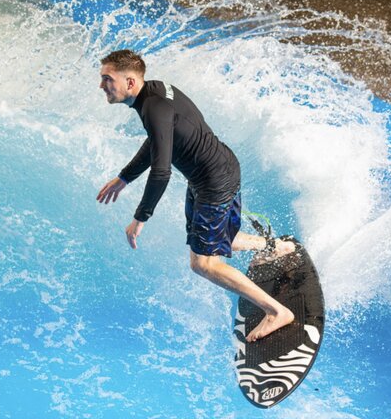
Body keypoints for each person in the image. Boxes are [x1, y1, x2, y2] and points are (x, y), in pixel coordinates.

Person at [96, 50, 295, 342]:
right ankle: (274, 247)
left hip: (213, 184)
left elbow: (161, 172)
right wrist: (125, 177)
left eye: (107, 79)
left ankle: (277, 312)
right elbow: (158, 141)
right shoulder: (155, 92)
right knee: (217, 239)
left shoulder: (152, 108)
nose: (102, 86)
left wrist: (140, 218)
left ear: (129, 82)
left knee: (203, 263)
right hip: (221, 169)